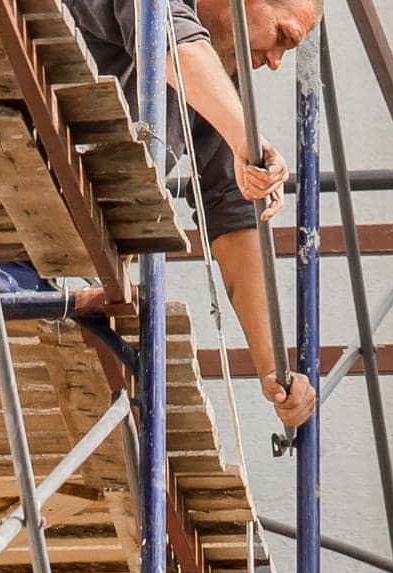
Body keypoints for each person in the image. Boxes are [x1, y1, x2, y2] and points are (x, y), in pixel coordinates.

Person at [69, 0, 323, 432]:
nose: (277, 62)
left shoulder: (215, 78)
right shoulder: (168, 27)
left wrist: (273, 369)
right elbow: (165, 33)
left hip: (63, 250)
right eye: (282, 36)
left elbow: (231, 207)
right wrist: (245, 137)